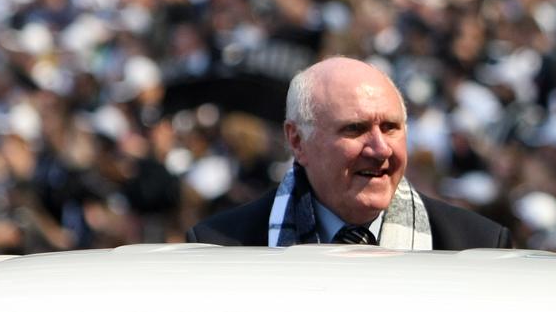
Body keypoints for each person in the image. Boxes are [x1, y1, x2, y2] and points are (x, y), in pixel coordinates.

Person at [187, 56, 511, 250]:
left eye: (390, 128)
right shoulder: (222, 247)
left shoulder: (476, 245)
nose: (380, 148)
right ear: (297, 141)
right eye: (354, 129)